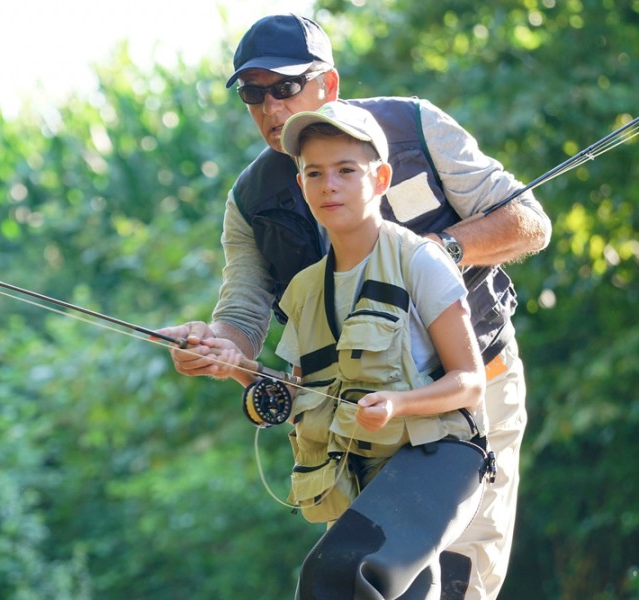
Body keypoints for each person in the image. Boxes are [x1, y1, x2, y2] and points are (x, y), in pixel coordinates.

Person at [156, 13, 552, 600]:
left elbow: (528, 223)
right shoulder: (250, 201)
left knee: (462, 582)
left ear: (329, 85)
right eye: (252, 92)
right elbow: (241, 316)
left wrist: (436, 253)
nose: (269, 106)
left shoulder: (415, 127)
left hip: (475, 388)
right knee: (370, 581)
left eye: (285, 86)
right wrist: (217, 349)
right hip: (361, 417)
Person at [216, 99, 495, 599]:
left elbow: (470, 382)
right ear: (301, 185)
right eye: (315, 173)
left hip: (437, 459)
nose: (330, 185)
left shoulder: (421, 261)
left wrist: (398, 405)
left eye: (347, 170)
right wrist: (232, 365)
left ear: (381, 178)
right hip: (359, 477)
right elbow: (298, 395)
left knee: (342, 574)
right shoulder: (302, 290)